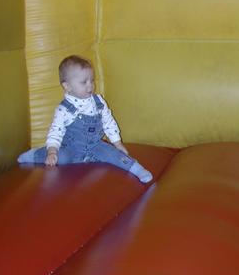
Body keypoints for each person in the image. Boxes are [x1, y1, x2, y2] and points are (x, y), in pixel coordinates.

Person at [18, 55, 153, 183]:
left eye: (92, 80)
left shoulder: (98, 101)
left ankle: (138, 170)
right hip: (71, 149)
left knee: (114, 154)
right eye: (84, 82)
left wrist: (117, 143)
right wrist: (52, 151)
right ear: (67, 86)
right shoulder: (64, 109)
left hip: (95, 145)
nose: (90, 85)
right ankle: (35, 155)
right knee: (61, 158)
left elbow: (108, 122)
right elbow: (55, 131)